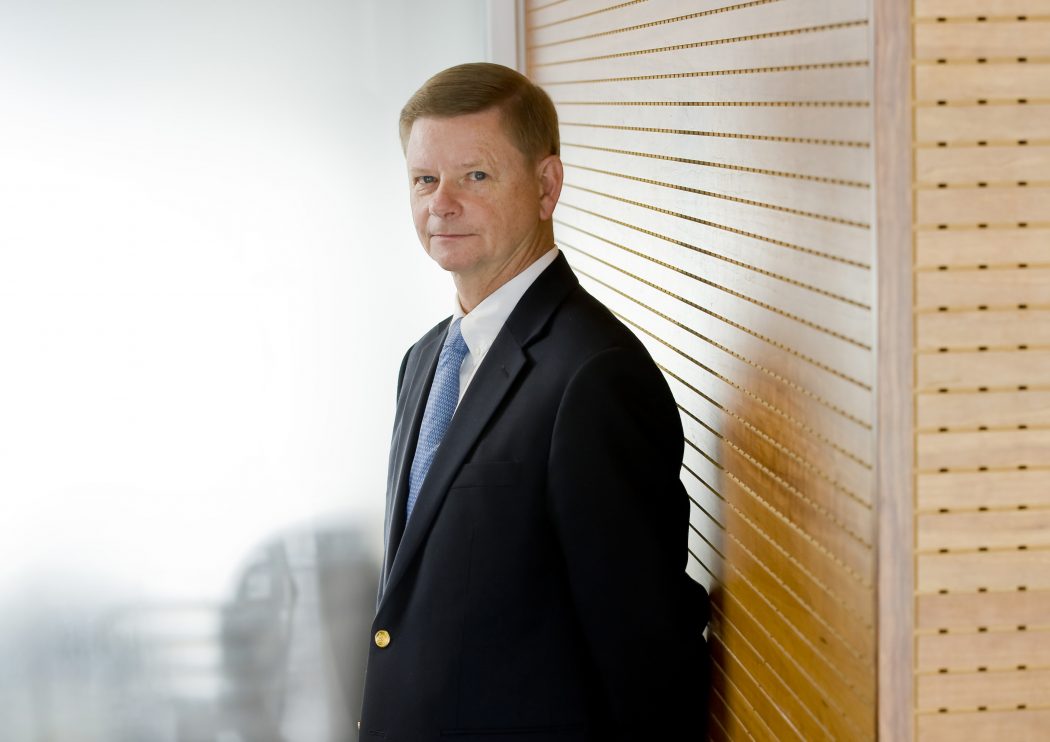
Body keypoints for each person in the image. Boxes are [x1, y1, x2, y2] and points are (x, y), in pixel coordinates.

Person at [358, 62, 710, 741]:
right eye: (425, 179)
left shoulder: (595, 377)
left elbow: (645, 662)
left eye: (475, 176)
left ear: (547, 186)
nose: (441, 204)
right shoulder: (425, 359)